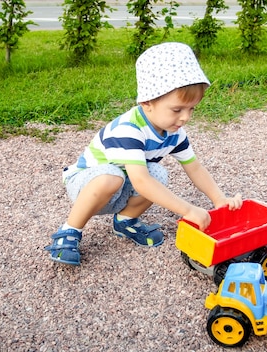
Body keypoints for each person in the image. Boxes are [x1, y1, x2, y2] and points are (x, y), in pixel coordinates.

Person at [45, 42, 243, 265]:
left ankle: (125, 221)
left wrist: (219, 199)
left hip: (120, 187)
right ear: (148, 103)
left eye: (191, 109)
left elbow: (195, 167)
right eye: (177, 109)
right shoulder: (129, 129)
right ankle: (69, 231)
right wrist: (188, 210)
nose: (186, 117)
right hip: (86, 185)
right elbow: (140, 181)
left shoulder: (174, 132)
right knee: (116, 176)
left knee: (158, 173)